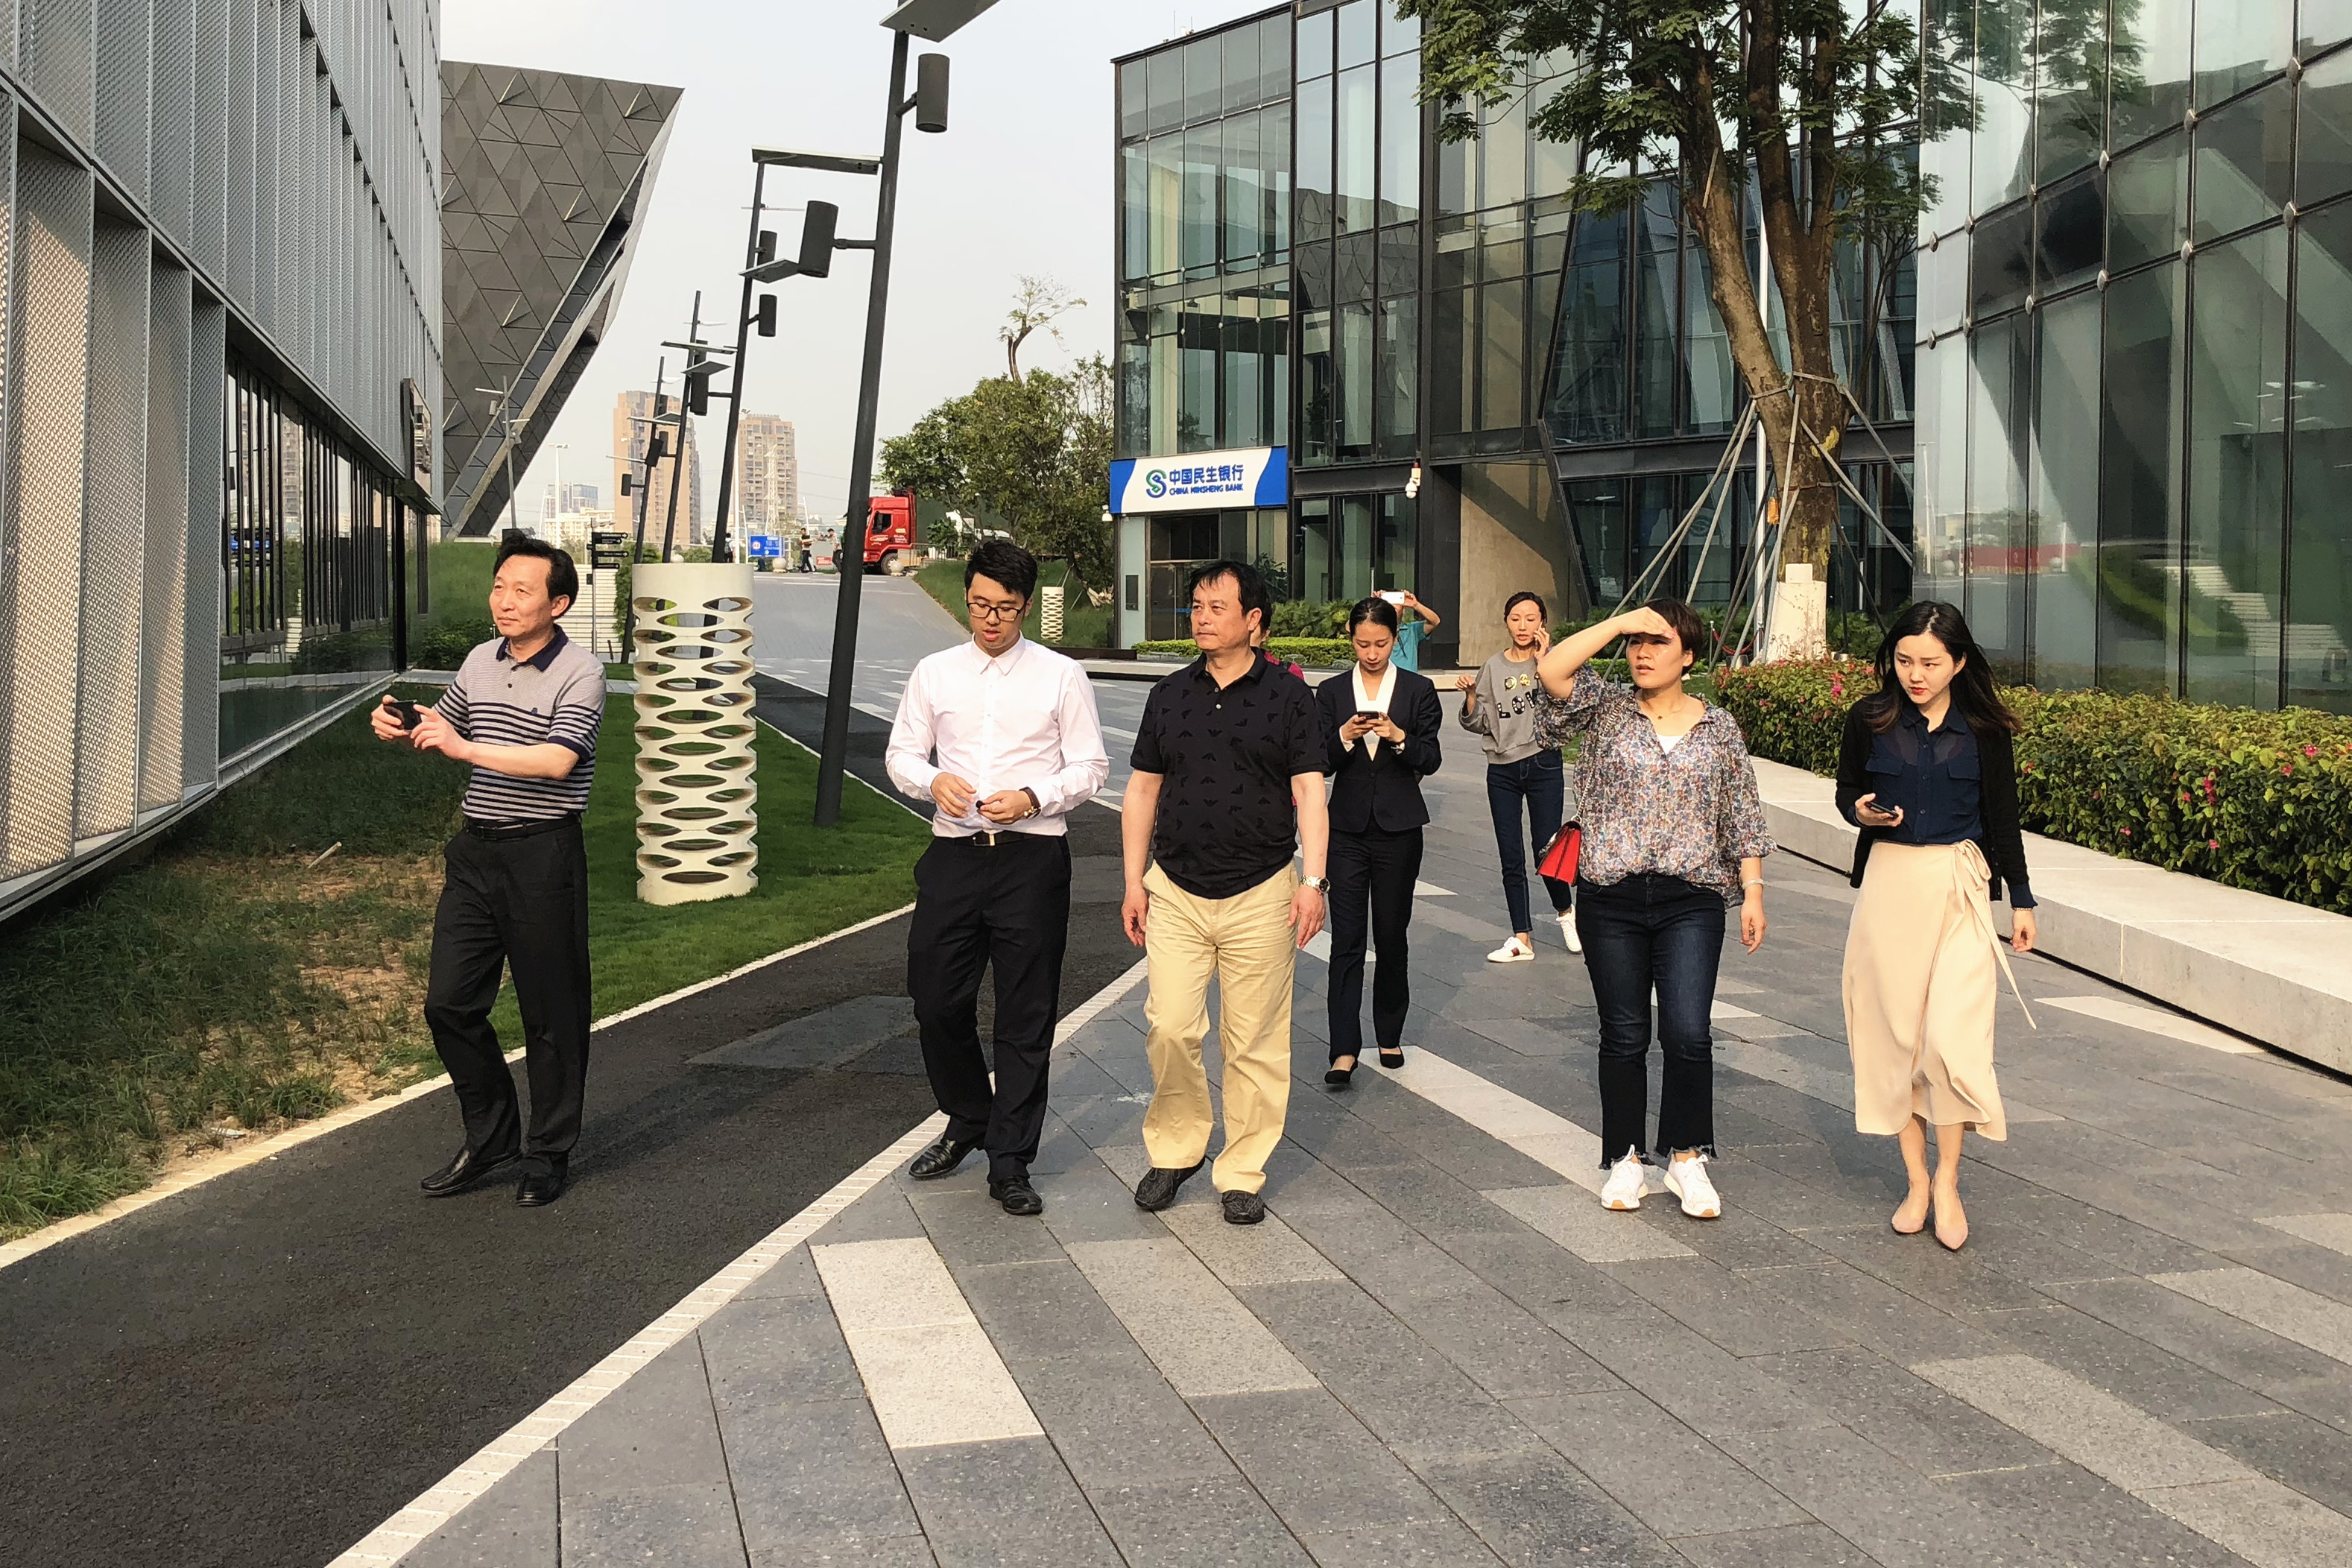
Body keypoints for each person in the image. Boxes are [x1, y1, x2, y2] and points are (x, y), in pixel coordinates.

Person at [376, 534, 604, 1208]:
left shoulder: (581, 673)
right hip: (477, 853)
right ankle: (493, 1135)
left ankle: (548, 1151)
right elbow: (444, 727)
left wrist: (464, 747)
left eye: (522, 590)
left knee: (551, 1013)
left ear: (557, 604)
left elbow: (557, 761)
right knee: (448, 1003)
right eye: (499, 586)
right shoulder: (480, 660)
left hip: (543, 855)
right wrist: (404, 725)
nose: (504, 601)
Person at [885, 540, 1109, 1217]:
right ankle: (969, 1115)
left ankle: (1011, 1162)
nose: (990, 619)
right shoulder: (935, 673)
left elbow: (1091, 766)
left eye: (1005, 608)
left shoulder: (1061, 675)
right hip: (954, 856)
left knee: (1025, 1013)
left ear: (1026, 606)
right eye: (980, 605)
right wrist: (933, 781)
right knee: (935, 1001)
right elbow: (900, 755)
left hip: (1030, 861)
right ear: (967, 599)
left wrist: (1035, 797)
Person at [1534, 600, 1771, 1220]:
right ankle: (1626, 1158)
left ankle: (1687, 1159)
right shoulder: (1606, 708)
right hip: (1610, 894)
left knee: (1689, 1031)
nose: (1642, 653)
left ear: (1688, 656)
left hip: (1691, 897)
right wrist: (1619, 623)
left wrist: (1753, 891)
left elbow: (1743, 813)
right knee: (1624, 1033)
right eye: (1636, 643)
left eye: (1658, 642)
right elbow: (1552, 672)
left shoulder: (1718, 728)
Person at [1122, 560, 1329, 1225]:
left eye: (1217, 607)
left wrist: (1313, 882)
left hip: (1262, 890)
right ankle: (1177, 1148)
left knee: (1254, 1042)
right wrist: (1133, 882)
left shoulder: (1290, 697)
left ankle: (1241, 1170)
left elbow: (1309, 791)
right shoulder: (1169, 695)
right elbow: (1142, 789)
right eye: (1197, 606)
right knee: (1170, 1026)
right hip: (1176, 890)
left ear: (1253, 620)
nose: (1202, 618)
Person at [1836, 601, 2037, 1252]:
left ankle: (1948, 1180)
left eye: (1929, 663)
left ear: (1958, 663)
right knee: (1893, 1038)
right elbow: (1846, 793)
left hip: (1959, 887)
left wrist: (2022, 900)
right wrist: (1862, 811)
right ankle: (1917, 1182)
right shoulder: (1869, 719)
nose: (1915, 675)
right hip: (1890, 887)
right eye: (1904, 661)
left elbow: (2003, 816)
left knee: (1952, 1042)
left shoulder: (1984, 730)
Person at [1315, 598, 1443, 1087]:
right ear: (1351, 638)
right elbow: (1318, 760)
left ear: (1395, 640)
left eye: (1382, 644)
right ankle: (1343, 1048)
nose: (1371, 653)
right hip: (1346, 830)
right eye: (1363, 644)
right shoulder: (1331, 692)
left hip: (1399, 830)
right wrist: (1346, 736)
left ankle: (1389, 1033)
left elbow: (1430, 759)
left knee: (1391, 935)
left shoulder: (1417, 690)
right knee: (1346, 940)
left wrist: (1398, 736)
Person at [1458, 591, 1578, 962]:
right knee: (1510, 854)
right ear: (1506, 622)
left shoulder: (1554, 663)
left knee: (1546, 847)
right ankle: (1521, 937)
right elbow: (1478, 722)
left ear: (1542, 623)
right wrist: (1472, 698)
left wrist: (1545, 663)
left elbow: (1566, 708)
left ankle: (1566, 913)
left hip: (1544, 764)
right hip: (1503, 768)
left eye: (1531, 618)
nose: (1523, 626)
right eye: (1516, 618)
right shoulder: (1493, 667)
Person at [1386, 589, 1442, 673]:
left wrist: (1415, 605)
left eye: (1397, 602)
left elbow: (1435, 621)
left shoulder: (1412, 630)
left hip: (1410, 680)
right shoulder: (1376, 631)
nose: (1393, 608)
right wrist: (1373, 606)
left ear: (1403, 610)